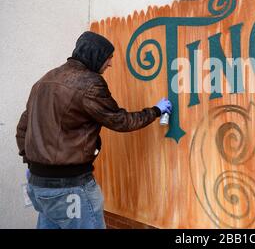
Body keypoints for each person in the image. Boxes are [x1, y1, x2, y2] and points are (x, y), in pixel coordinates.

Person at [15, 31, 172, 229]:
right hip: (71, 189)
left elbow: (22, 129)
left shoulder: (43, 81)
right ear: (96, 55)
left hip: (38, 186)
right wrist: (156, 110)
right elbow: (120, 121)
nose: (110, 64)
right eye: (108, 58)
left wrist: (32, 163)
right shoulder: (90, 83)